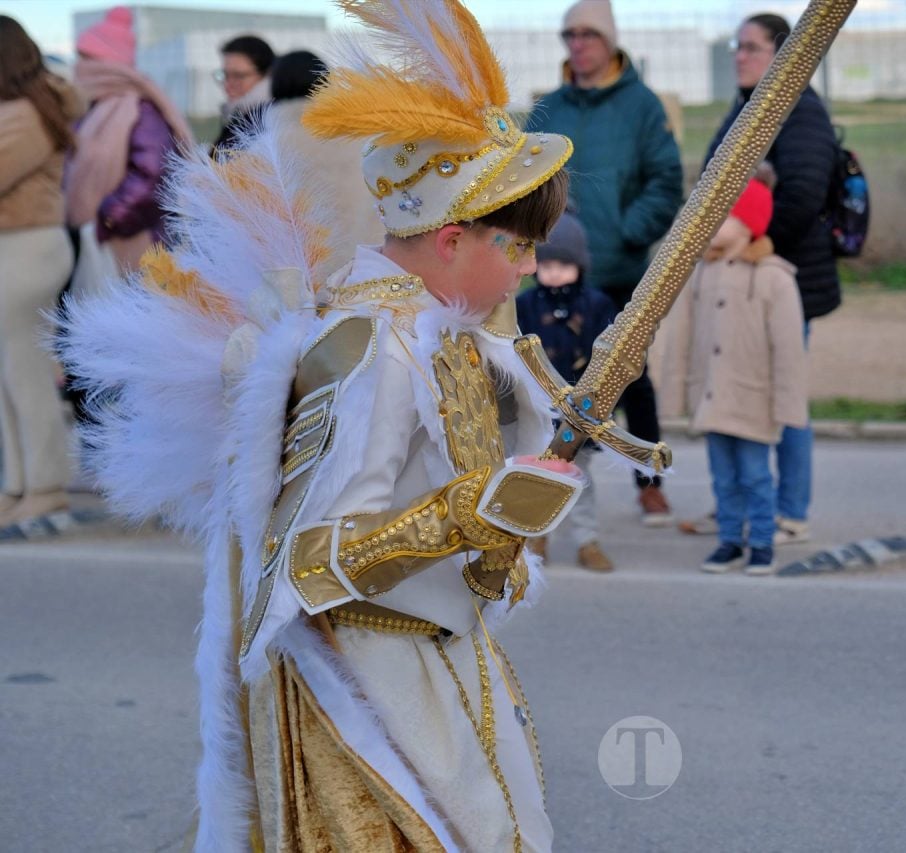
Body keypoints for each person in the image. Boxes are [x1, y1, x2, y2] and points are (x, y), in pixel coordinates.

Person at [61, 1, 592, 848]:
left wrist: (505, 530)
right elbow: (307, 559)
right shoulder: (374, 349)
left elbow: (479, 533)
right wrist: (472, 512)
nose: (529, 267)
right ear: (452, 239)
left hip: (447, 664)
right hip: (369, 682)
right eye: (516, 247)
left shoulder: (451, 330)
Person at [525, 0, 684, 527]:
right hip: (552, 271)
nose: (577, 44)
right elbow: (523, 178)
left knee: (633, 382)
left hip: (617, 272)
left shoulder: (642, 106)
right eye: (569, 35)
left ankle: (650, 485)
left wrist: (626, 231)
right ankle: (543, 488)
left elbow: (665, 181)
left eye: (588, 34)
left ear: (610, 40)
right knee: (549, 380)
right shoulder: (549, 108)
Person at [704, 12, 837, 547]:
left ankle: (790, 511)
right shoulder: (750, 109)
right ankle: (741, 508)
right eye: (738, 46)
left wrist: (753, 243)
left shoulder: (799, 110)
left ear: (783, 55)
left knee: (784, 395)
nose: (740, 55)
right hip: (739, 282)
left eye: (753, 47)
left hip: (784, 280)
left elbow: (803, 193)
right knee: (740, 395)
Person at [657, 165, 808, 576]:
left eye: (722, 215)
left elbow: (789, 350)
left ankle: (761, 543)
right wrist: (675, 396)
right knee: (722, 476)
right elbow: (681, 337)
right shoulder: (700, 271)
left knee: (756, 475)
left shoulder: (774, 278)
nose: (711, 222)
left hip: (753, 396)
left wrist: (787, 405)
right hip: (712, 396)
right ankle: (729, 541)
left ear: (747, 223)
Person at [0, 15, 82, 535]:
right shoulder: (25, 109)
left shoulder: (25, 114)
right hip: (19, 247)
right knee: (10, 374)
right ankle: (19, 485)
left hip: (25, 247)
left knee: (24, 372)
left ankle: (46, 488)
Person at [517, 212, 617, 572]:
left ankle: (587, 541)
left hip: (582, 411)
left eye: (564, 263)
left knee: (582, 480)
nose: (554, 271)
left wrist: (601, 406)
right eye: (547, 263)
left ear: (579, 264)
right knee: (540, 478)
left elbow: (609, 360)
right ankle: (537, 537)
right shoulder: (525, 306)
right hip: (541, 411)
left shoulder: (597, 305)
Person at [65, 6, 193, 279]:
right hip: (92, 237)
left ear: (108, 62)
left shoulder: (141, 109)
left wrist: (110, 218)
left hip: (132, 244)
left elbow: (154, 173)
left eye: (88, 58)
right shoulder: (93, 108)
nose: (80, 67)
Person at [268, 50, 383, 274]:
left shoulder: (270, 149)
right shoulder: (362, 141)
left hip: (300, 286)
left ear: (274, 87)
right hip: (365, 278)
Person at [211, 33, 273, 154]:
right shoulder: (239, 116)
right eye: (225, 75)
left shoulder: (269, 123)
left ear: (266, 76)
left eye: (238, 76)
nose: (227, 85)